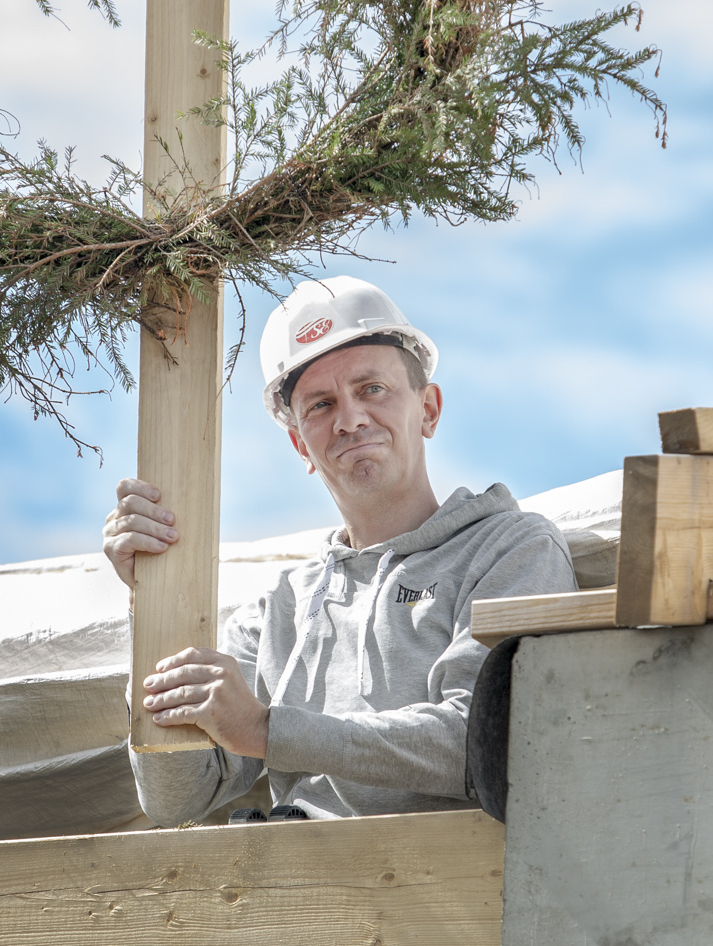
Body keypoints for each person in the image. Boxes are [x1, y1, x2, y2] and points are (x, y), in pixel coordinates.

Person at [101, 275, 576, 823]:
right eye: (321, 404)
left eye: (372, 389)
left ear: (428, 410)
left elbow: (487, 744)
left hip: (442, 894)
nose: (349, 419)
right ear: (301, 444)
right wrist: (151, 602)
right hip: (302, 904)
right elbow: (176, 799)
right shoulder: (278, 612)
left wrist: (265, 729)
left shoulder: (510, 549)